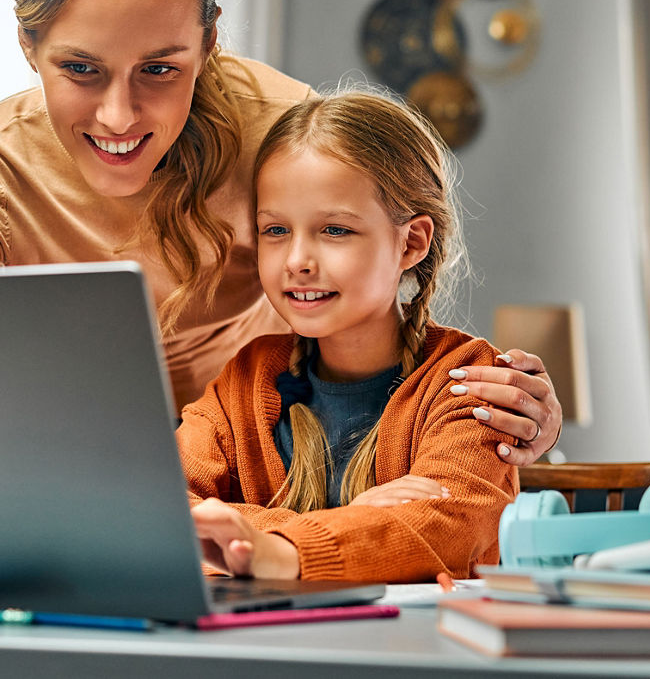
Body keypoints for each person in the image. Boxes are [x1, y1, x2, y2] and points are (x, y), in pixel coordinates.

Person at [0, 0, 560, 464]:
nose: (118, 115)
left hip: (270, 464)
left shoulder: (287, 135)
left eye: (160, 69)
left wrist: (502, 409)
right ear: (28, 45)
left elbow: (372, 313)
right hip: (66, 466)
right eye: (80, 69)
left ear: (209, 41)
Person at [181, 91, 515, 581]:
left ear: (412, 242)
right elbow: (165, 509)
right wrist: (344, 522)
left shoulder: (469, 382)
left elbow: (452, 525)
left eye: (335, 230)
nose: (297, 261)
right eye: (276, 230)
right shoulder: (245, 381)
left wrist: (273, 550)